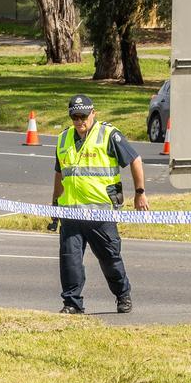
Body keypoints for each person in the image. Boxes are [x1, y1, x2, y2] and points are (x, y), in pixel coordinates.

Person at [51, 94, 149, 315]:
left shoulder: (108, 134)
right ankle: (72, 303)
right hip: (71, 213)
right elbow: (60, 173)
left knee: (109, 258)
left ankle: (123, 295)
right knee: (70, 261)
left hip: (100, 213)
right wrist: (55, 203)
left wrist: (140, 193)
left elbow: (135, 159)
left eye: (83, 116)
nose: (79, 121)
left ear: (93, 113)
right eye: (75, 117)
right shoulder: (63, 139)